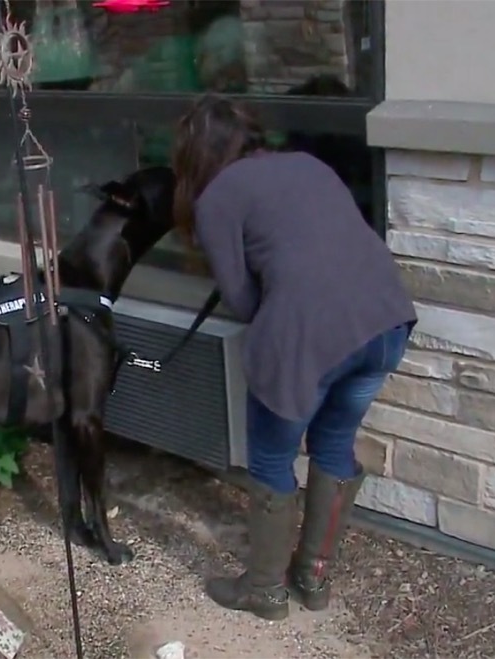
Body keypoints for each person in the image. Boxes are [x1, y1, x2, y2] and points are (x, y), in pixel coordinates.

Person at [170, 94, 417, 620]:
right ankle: (313, 578)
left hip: (311, 337)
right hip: (384, 325)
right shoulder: (308, 163)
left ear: (194, 153)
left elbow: (242, 302)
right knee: (333, 445)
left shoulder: (215, 198)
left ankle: (264, 591)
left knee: (271, 460)